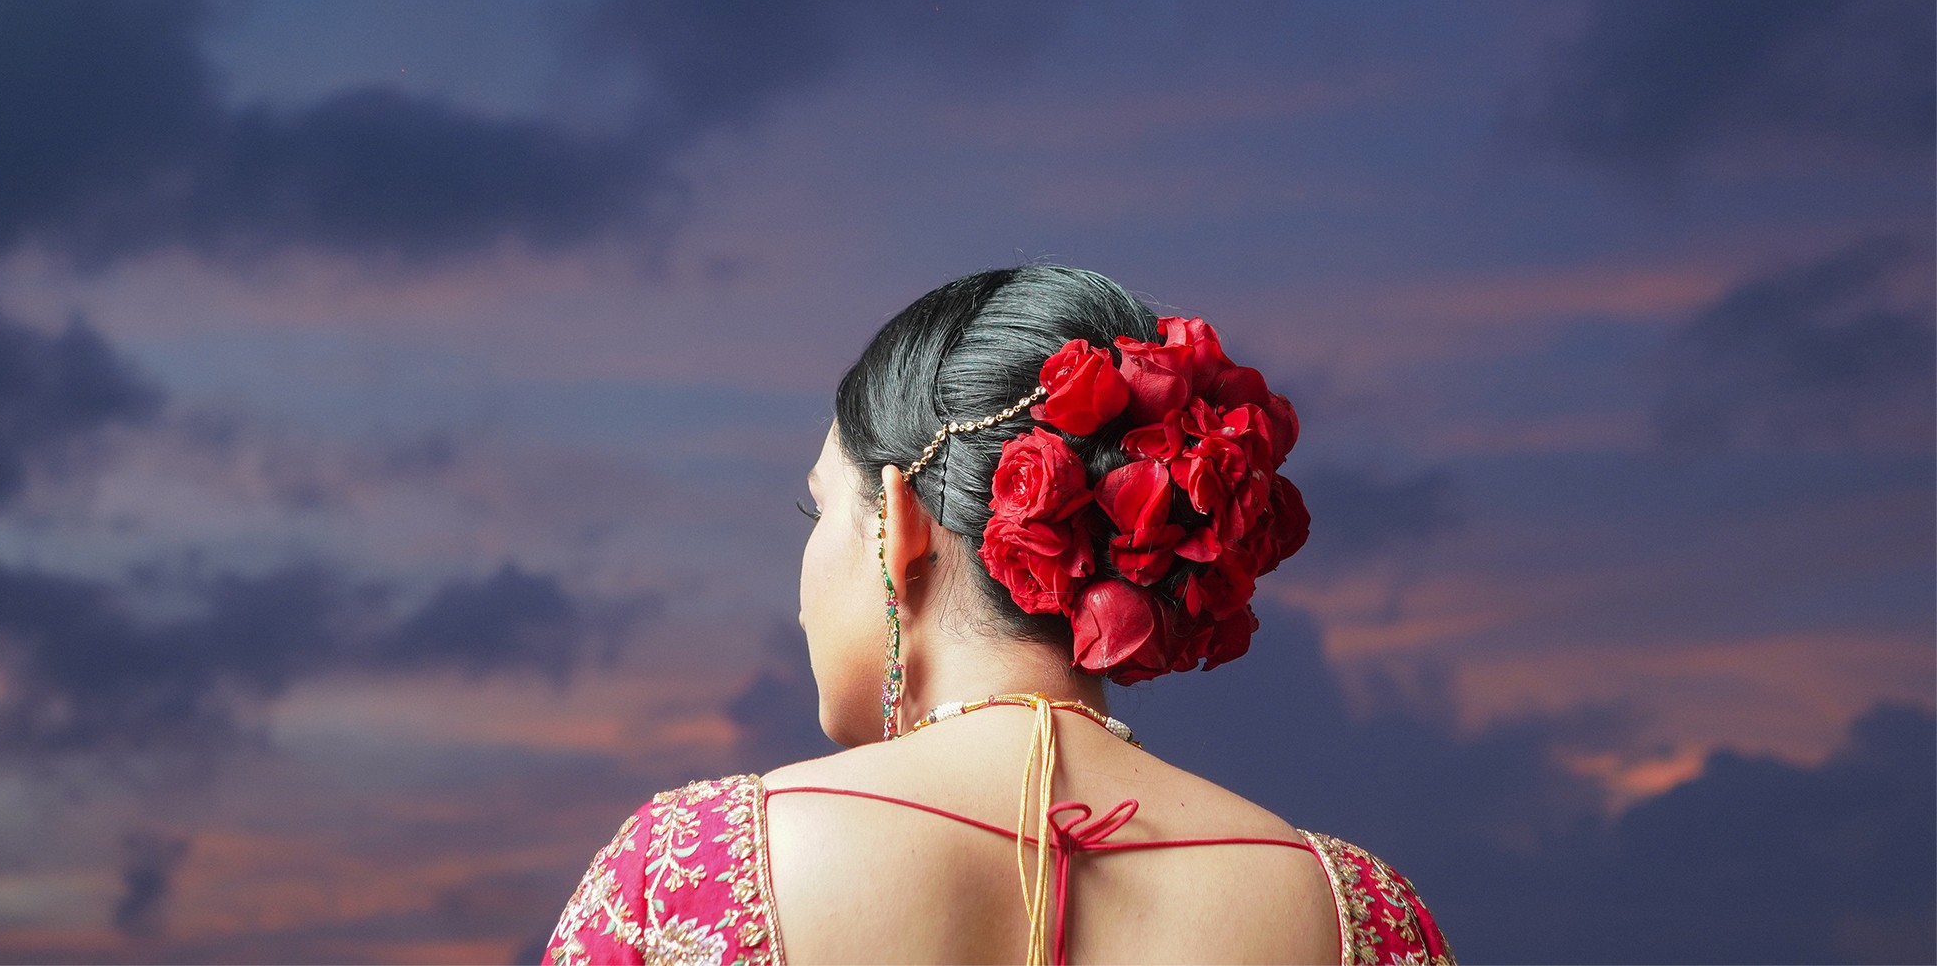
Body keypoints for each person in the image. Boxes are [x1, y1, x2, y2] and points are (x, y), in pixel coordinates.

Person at [542, 265, 1456, 966]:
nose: (798, 586)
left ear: (898, 527)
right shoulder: (1360, 915)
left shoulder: (685, 868)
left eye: (818, 512)